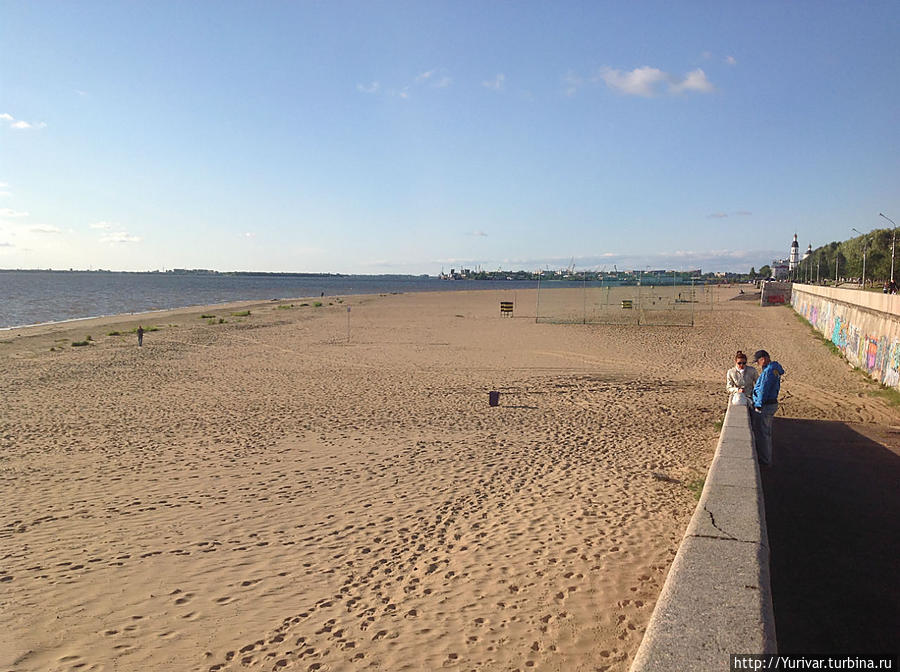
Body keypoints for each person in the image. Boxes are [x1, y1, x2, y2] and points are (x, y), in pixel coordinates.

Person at [751, 350, 785, 466]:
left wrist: (758, 405)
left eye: (758, 361)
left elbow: (763, 389)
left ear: (763, 359)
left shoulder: (769, 371)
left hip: (766, 405)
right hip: (771, 404)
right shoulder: (774, 369)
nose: (758, 364)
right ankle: (766, 458)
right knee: (766, 432)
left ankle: (765, 460)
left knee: (763, 433)